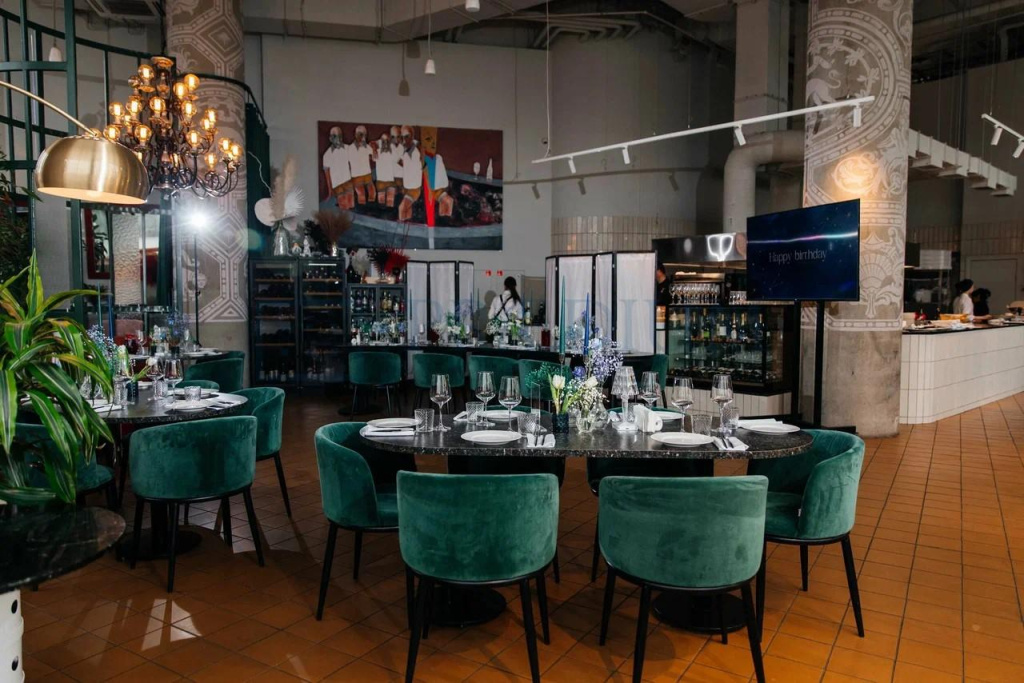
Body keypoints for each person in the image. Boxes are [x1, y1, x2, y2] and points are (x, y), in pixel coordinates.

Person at [322, 126, 353, 210]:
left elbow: (352, 165)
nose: (338, 139)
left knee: (351, 206)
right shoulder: (327, 155)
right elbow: (327, 173)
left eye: (340, 136)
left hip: (348, 182)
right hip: (337, 185)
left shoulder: (348, 149)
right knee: (344, 208)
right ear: (331, 138)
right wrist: (330, 190)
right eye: (335, 136)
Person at [347, 125, 376, 205]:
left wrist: (374, 148)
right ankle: (363, 208)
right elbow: (347, 164)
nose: (363, 137)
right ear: (356, 135)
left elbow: (375, 158)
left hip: (367, 175)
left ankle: (370, 209)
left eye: (364, 135)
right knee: (361, 195)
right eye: (360, 134)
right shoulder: (350, 148)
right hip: (356, 176)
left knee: (372, 193)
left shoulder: (367, 147)